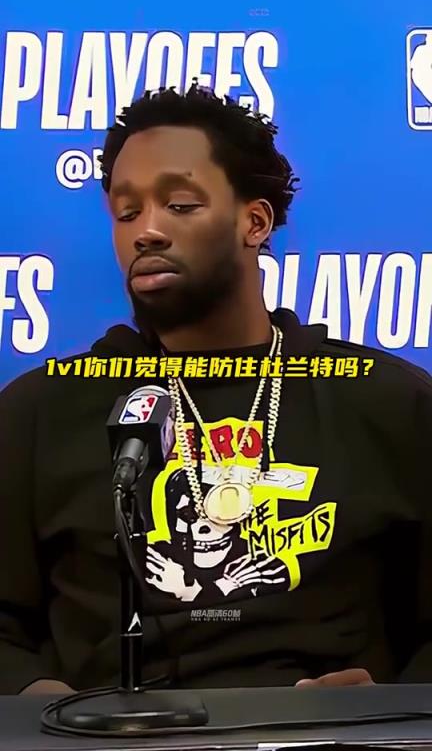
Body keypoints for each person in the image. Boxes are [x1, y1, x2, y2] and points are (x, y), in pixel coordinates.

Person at [0, 82, 431, 696]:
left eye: (179, 204)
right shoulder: (39, 411)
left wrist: (386, 707)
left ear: (254, 221)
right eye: (126, 212)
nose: (146, 231)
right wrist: (34, 703)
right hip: (108, 732)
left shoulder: (387, 403)